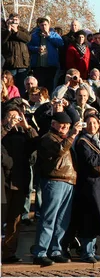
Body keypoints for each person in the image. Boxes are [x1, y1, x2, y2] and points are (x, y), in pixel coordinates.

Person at [32, 112, 82, 267]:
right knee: (49, 217)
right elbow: (59, 151)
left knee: (62, 220)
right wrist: (72, 136)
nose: (65, 128)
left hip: (68, 180)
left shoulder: (64, 138)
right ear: (53, 124)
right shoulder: (48, 138)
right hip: (54, 180)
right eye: (61, 124)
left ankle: (56, 250)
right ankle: (40, 252)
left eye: (67, 125)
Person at [73, 113, 100, 263]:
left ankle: (92, 250)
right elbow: (90, 161)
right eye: (89, 123)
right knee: (88, 219)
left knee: (97, 219)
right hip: (89, 185)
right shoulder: (82, 142)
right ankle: (86, 252)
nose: (92, 126)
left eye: (95, 123)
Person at [1, 106, 38, 264]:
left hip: (20, 181)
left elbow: (37, 144)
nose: (13, 120)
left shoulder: (24, 135)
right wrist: (6, 127)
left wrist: (27, 127)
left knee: (15, 220)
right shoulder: (3, 133)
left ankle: (9, 252)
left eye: (16, 117)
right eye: (10, 116)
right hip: (4, 182)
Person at [28, 16, 64, 92]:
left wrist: (49, 37)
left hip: (51, 65)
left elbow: (60, 43)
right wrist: (36, 49)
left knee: (50, 85)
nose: (44, 26)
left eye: (45, 25)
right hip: (38, 65)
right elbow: (28, 46)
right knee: (39, 85)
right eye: (42, 25)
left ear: (49, 25)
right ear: (39, 26)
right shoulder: (34, 35)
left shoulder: (54, 34)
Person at [2, 13, 31, 97]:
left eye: (16, 20)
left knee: (21, 86)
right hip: (10, 64)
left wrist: (17, 32)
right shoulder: (3, 30)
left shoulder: (23, 30)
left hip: (22, 64)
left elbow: (27, 39)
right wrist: (8, 31)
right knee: (10, 85)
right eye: (12, 19)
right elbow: (2, 41)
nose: (14, 21)